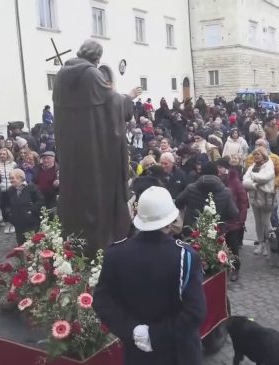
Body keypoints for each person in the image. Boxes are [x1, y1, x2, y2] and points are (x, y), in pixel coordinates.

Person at [92, 186, 206, 365]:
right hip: (178, 352)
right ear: (170, 220)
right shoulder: (185, 255)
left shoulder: (116, 253)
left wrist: (132, 330)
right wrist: (154, 334)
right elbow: (195, 312)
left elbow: (102, 301)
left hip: (136, 351)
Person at [53, 39, 136, 256]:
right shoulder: (91, 74)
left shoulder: (61, 74)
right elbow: (114, 104)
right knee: (96, 194)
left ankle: (73, 244)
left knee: (75, 194)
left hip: (71, 149)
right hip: (94, 150)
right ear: (97, 57)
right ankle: (98, 245)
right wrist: (129, 98)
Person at [243, 147, 275, 257]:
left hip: (266, 197)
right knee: (258, 222)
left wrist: (253, 177)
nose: (256, 156)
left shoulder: (269, 165)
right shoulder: (252, 166)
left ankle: (268, 244)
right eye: (255, 154)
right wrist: (254, 184)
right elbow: (245, 181)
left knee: (266, 223)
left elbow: (265, 178)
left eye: (258, 154)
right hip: (254, 197)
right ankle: (260, 243)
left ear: (263, 155)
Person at [7, 169, 44, 245]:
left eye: (12, 178)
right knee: (20, 245)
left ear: (20, 178)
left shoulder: (32, 188)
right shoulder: (11, 190)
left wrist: (31, 210)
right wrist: (10, 216)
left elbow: (40, 201)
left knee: (32, 245)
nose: (10, 180)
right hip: (18, 223)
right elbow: (8, 204)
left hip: (31, 223)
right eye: (10, 178)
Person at [0, 148, 17, 234]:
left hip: (12, 188)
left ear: (7, 155)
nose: (2, 155)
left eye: (4, 154)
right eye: (0, 154)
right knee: (4, 207)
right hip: (1, 189)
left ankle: (13, 224)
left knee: (13, 207)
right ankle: (7, 224)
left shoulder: (13, 164)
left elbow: (18, 174)